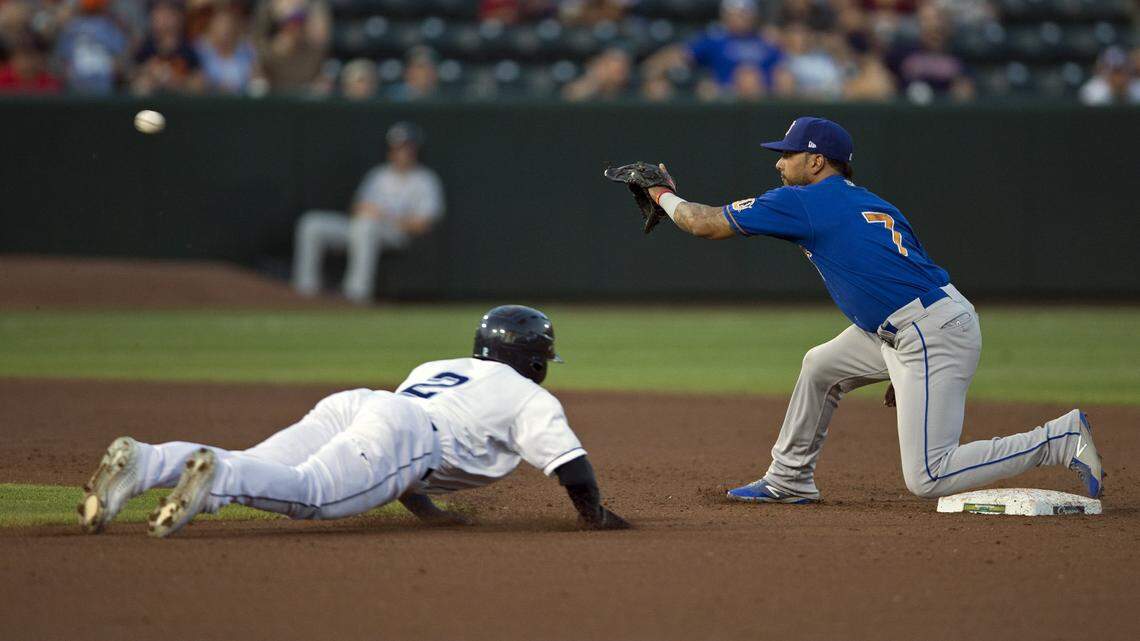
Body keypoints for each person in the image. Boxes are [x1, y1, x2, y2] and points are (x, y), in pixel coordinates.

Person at [624, 116, 1105, 504]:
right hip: (912, 322)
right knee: (820, 366)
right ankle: (789, 479)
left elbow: (702, 224)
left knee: (929, 475)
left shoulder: (802, 201)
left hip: (927, 332)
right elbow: (903, 269)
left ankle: (1057, 439)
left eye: (787, 155)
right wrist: (897, 366)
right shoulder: (873, 202)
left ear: (816, 161)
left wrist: (661, 193)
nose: (779, 164)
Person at [76, 305, 631, 538]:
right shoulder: (527, 395)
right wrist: (596, 517)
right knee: (310, 494)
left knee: (257, 462)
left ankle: (146, 461)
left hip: (363, 405)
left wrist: (429, 512)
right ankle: (215, 483)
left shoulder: (442, 366)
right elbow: (572, 467)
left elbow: (398, 462)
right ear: (535, 359)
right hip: (406, 432)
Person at [292, 122, 444, 303]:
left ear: (416, 150)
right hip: (361, 227)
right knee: (312, 223)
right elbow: (357, 207)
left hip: (395, 233)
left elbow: (424, 222)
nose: (402, 153)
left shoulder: (425, 179)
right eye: (398, 148)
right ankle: (303, 292)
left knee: (366, 227)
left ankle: (355, 294)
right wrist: (367, 212)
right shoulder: (378, 175)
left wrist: (384, 217)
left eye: (407, 148)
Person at [642, 0, 790, 96]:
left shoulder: (765, 41)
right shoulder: (715, 40)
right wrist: (653, 68)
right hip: (725, 97)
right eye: (735, 14)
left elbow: (783, 70)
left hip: (764, 97)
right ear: (725, 16)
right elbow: (679, 54)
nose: (740, 18)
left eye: (744, 14)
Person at [131, 0, 205, 95]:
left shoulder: (188, 48)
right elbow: (130, 77)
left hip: (180, 103)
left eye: (169, 13)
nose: (163, 19)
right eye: (158, 13)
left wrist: (178, 81)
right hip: (152, 105)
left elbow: (199, 81)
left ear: (179, 17)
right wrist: (147, 72)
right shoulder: (144, 46)